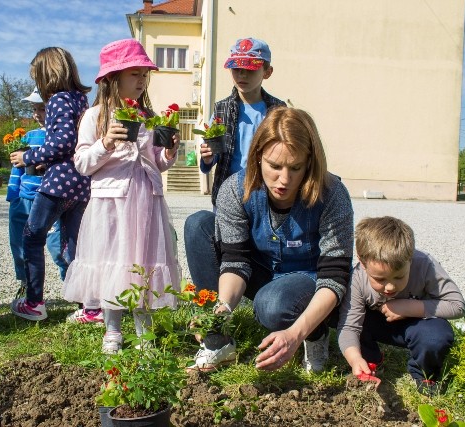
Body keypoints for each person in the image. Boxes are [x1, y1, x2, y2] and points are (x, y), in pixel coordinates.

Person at [186, 107, 354, 373]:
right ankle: (217, 338)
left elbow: (335, 278)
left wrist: (295, 334)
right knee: (198, 225)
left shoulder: (333, 195)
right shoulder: (235, 189)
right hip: (261, 271)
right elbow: (235, 261)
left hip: (309, 279)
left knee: (272, 305)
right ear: (258, 157)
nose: (284, 179)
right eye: (274, 166)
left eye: (295, 168)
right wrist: (223, 307)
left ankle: (316, 332)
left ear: (310, 163)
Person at [62, 39, 182, 352]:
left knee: (143, 263)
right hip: (111, 202)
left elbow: (155, 161)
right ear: (113, 78)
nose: (142, 80)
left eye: (145, 75)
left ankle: (144, 332)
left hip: (146, 198)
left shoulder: (149, 117)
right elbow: (82, 163)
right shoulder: (95, 116)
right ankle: (112, 330)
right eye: (134, 74)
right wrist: (106, 143)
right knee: (112, 263)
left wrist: (169, 154)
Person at [184, 37, 286, 292]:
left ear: (267, 72)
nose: (242, 75)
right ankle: (215, 300)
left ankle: (269, 291)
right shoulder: (221, 110)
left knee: (261, 248)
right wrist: (207, 158)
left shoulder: (278, 110)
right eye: (236, 69)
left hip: (266, 195)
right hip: (228, 196)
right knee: (226, 244)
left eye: (250, 69)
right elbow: (210, 158)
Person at [338, 216, 465, 395]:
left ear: (410, 258)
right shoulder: (358, 278)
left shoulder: (424, 264)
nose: (390, 287)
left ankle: (423, 373)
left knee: (436, 336)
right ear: (362, 262)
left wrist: (409, 307)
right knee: (336, 310)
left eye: (399, 277)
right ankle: (369, 359)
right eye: (380, 279)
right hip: (378, 323)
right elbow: (349, 327)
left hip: (417, 324)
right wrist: (354, 359)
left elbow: (457, 305)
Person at [10, 47, 91, 321]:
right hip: (80, 182)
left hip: (58, 184)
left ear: (47, 74)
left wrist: (29, 157)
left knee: (32, 237)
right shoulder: (80, 99)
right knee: (74, 244)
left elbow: (63, 141)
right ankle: (89, 305)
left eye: (37, 77)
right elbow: (74, 144)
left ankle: (34, 303)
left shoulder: (57, 99)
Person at [6, 88, 70, 299]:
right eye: (35, 109)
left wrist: (46, 164)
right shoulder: (28, 137)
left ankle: (72, 285)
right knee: (20, 244)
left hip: (50, 199)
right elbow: (17, 166)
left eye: (42, 108)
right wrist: (13, 195)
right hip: (24, 198)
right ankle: (27, 285)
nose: (37, 114)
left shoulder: (63, 138)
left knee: (58, 245)